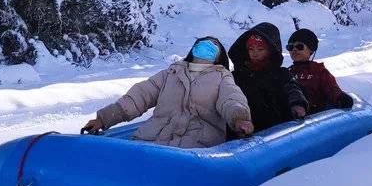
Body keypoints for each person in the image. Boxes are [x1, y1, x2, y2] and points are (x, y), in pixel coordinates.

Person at [82, 37, 254, 148]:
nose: (206, 48)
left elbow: (231, 98)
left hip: (196, 146)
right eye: (202, 44)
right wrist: (103, 118)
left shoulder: (222, 77)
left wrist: (239, 118)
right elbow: (140, 96)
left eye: (212, 46)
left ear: (219, 56)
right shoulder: (170, 73)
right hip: (151, 140)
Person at [228, 22, 308, 132]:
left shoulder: (281, 73)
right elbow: (229, 98)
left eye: (260, 49)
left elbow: (292, 88)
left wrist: (297, 103)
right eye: (251, 49)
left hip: (279, 132)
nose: (254, 53)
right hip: (247, 134)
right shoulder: (236, 76)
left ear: (271, 51)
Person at [286, 28, 354, 114]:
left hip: (315, 117)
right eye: (290, 47)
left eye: (300, 46)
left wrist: (340, 97)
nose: (294, 50)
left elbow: (331, 88)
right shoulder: (287, 72)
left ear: (311, 50)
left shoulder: (318, 71)